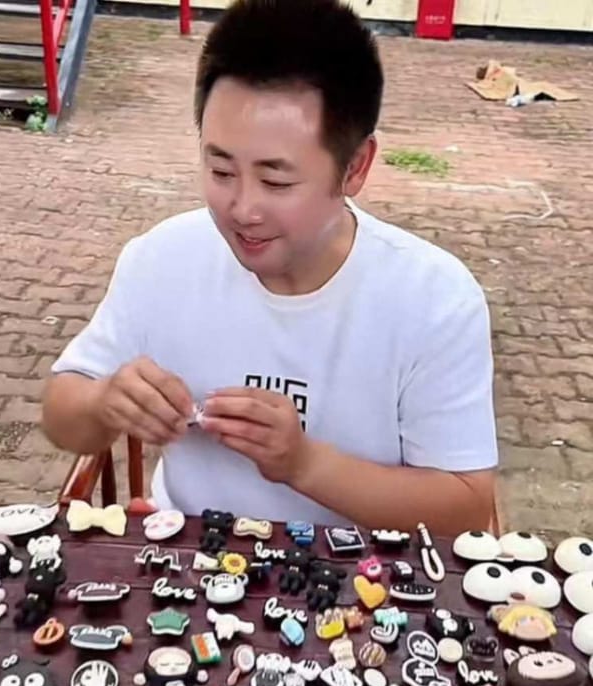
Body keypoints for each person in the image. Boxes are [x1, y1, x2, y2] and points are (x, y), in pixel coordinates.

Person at [42, 0, 497, 533]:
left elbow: (464, 508)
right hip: (186, 566)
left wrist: (305, 464)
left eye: (276, 181)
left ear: (355, 168)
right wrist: (104, 403)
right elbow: (61, 415)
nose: (242, 208)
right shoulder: (163, 258)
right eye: (220, 169)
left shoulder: (433, 299)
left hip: (364, 586)